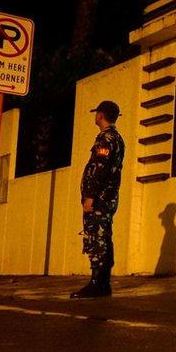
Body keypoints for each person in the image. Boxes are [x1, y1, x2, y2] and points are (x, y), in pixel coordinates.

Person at [70, 100, 125, 298]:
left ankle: (97, 283)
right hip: (108, 197)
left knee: (97, 237)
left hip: (100, 198)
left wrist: (90, 196)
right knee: (104, 236)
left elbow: (99, 170)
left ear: (100, 115)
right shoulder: (116, 138)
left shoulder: (106, 139)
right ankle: (103, 283)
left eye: (97, 113)